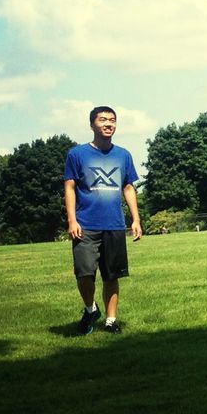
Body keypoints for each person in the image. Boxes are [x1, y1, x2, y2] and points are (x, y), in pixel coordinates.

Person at [64, 106, 142, 334]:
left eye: (112, 120)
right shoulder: (77, 154)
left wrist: (135, 219)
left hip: (114, 225)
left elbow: (128, 187)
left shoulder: (123, 155)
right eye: (103, 120)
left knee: (112, 276)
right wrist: (72, 220)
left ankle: (111, 320)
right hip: (85, 225)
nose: (108, 124)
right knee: (84, 273)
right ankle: (90, 309)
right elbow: (69, 186)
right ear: (92, 125)